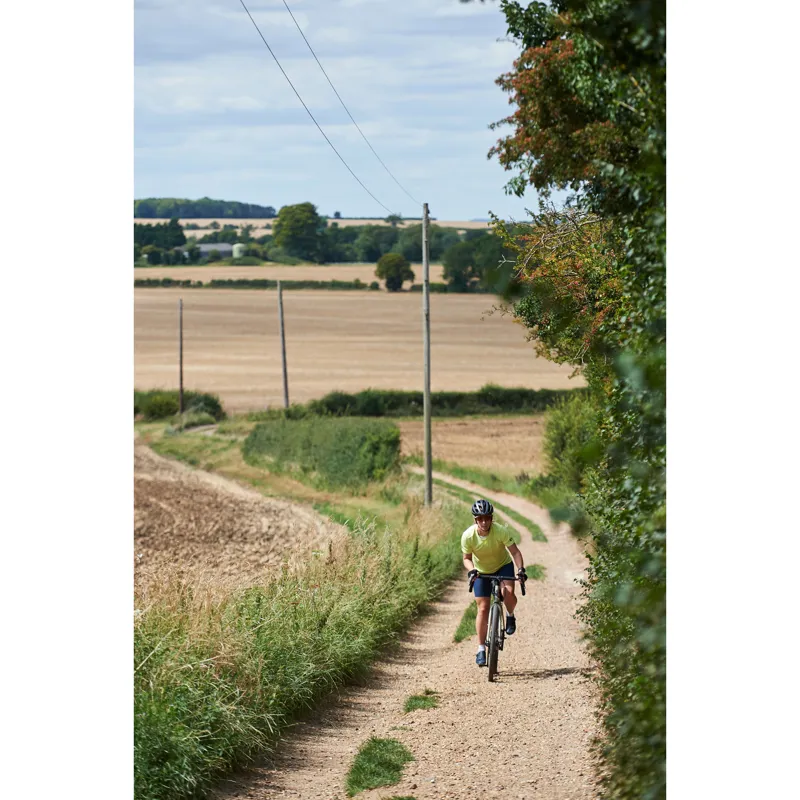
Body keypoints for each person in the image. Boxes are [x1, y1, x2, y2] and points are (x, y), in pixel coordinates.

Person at [461, 498, 527, 667]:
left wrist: (520, 570)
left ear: (491, 518)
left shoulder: (500, 531)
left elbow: (516, 553)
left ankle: (510, 616)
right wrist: (472, 570)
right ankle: (481, 649)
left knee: (508, 593)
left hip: (502, 566)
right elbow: (466, 559)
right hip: (481, 571)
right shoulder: (468, 536)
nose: (484, 522)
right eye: (480, 518)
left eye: (487, 518)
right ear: (475, 519)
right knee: (483, 608)